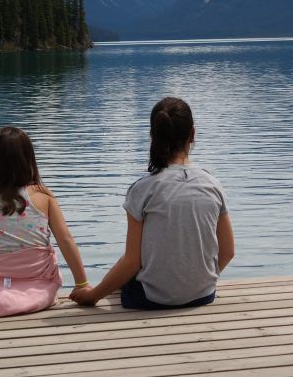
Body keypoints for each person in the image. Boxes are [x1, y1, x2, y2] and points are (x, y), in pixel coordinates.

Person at [71, 97, 234, 309]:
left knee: (127, 262)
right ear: (193, 134)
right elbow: (228, 252)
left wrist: (92, 296)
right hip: (203, 294)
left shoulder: (143, 189)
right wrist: (200, 282)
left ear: (152, 136)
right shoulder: (213, 185)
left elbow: (132, 263)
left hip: (151, 299)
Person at [0, 126, 89, 317]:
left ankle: (4, 300)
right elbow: (66, 240)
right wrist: (82, 284)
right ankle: (31, 298)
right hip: (40, 282)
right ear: (28, 160)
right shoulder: (43, 195)